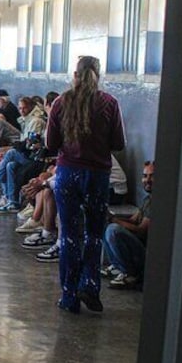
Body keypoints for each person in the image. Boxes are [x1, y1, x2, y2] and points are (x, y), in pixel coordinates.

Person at [46, 55, 125, 313]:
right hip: (98, 176)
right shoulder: (110, 103)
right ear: (98, 74)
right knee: (93, 233)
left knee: (69, 234)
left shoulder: (60, 102)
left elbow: (50, 143)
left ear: (75, 74)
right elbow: (119, 143)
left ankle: (69, 296)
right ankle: (90, 286)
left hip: (68, 173)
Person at [102, 161, 153, 290]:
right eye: (145, 176)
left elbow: (141, 231)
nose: (147, 180)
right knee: (104, 222)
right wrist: (108, 217)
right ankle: (117, 267)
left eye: (152, 176)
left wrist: (114, 220)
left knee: (113, 230)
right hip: (137, 249)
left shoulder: (157, 202)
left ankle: (130, 273)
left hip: (146, 256)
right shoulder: (148, 199)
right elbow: (133, 220)